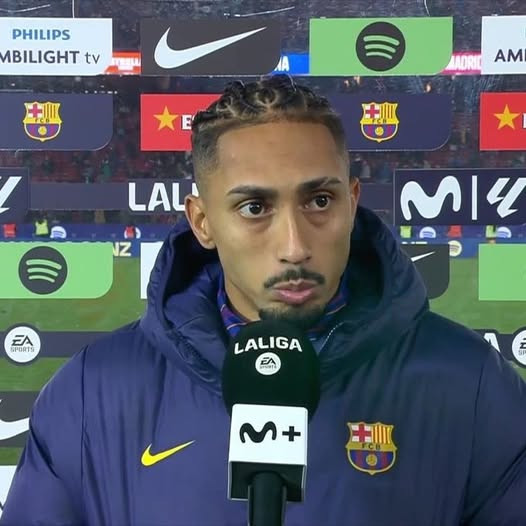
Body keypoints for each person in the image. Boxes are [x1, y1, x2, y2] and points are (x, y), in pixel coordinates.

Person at [2, 75, 525, 525]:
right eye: (255, 207)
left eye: (320, 200)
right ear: (202, 221)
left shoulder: (475, 386)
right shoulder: (88, 394)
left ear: (352, 202)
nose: (294, 246)